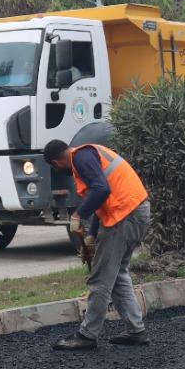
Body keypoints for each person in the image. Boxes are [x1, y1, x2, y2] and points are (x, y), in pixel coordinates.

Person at [43, 139, 152, 350]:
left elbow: (102, 190)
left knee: (101, 278)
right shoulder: (88, 155)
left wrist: (78, 215)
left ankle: (87, 335)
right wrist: (92, 235)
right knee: (117, 273)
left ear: (56, 163)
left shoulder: (81, 158)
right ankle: (137, 331)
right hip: (134, 212)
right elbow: (102, 200)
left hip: (125, 216)